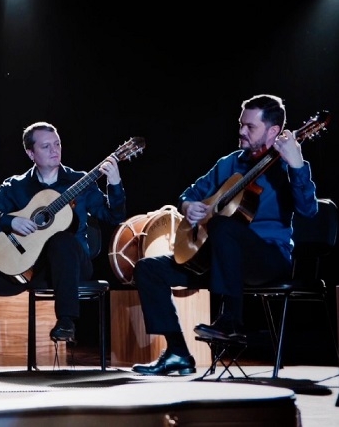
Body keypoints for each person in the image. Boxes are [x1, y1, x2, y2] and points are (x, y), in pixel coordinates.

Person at [131, 94, 319, 376]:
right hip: (219, 260)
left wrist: (297, 166)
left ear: (273, 131)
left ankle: (230, 320)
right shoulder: (230, 163)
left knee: (225, 226)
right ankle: (177, 353)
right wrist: (189, 207)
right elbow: (190, 194)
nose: (241, 131)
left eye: (249, 127)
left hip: (266, 260)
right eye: (241, 124)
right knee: (148, 269)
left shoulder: (288, 166)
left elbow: (309, 212)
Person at [0, 121, 127, 372]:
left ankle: (66, 321)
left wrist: (114, 183)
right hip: (27, 268)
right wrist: (10, 221)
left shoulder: (79, 182)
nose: (54, 150)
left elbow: (113, 216)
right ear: (31, 153)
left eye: (57, 144)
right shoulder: (15, 185)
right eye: (46, 146)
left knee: (61, 239)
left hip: (71, 267)